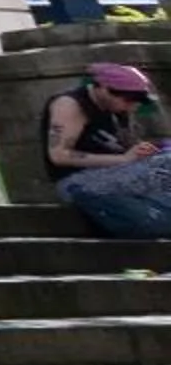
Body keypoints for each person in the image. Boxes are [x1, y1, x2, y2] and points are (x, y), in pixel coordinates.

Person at [46, 62, 171, 236]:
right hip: (80, 181)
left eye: (137, 102)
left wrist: (145, 150)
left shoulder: (117, 108)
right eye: (127, 100)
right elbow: (59, 155)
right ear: (104, 89)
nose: (132, 107)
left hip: (118, 174)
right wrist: (124, 159)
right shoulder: (70, 105)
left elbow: (128, 148)